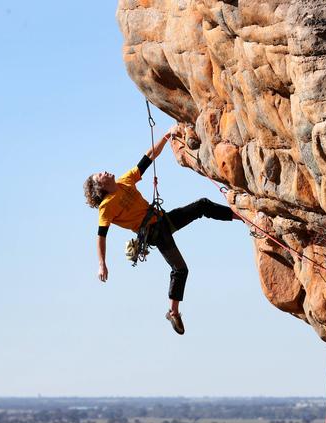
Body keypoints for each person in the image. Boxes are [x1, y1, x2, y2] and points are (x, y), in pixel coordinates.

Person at [83, 127, 239, 335]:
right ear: (99, 187)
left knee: (202, 206)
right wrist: (102, 264)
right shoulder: (106, 207)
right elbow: (101, 236)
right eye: (99, 175)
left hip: (164, 220)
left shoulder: (124, 181)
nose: (104, 171)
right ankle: (173, 312)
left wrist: (166, 136)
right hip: (155, 232)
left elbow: (148, 157)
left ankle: (240, 215)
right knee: (180, 269)